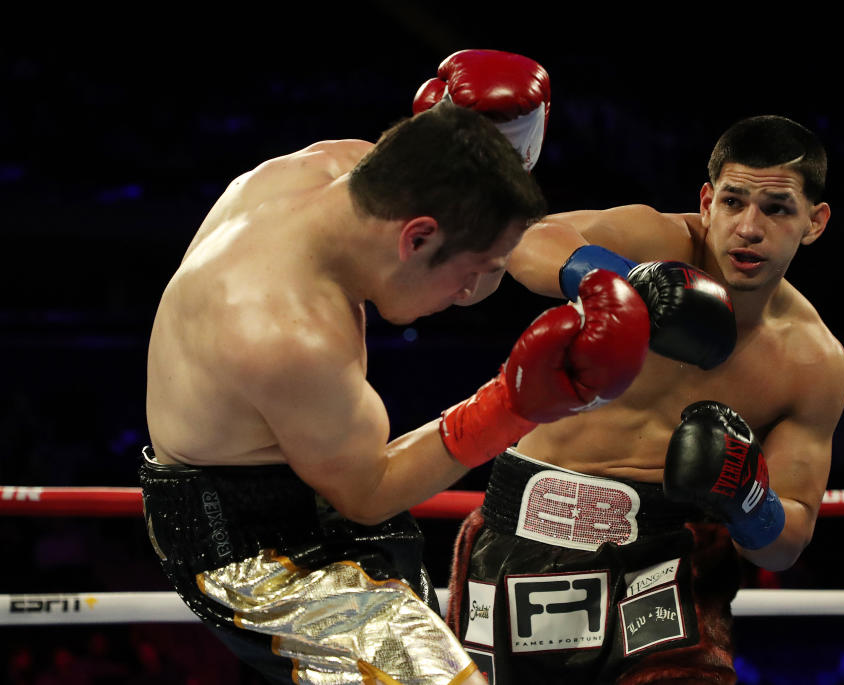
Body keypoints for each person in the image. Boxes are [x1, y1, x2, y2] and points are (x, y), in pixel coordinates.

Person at [139, 97, 655, 685]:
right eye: (467, 274)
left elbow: (454, 207)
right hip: (256, 550)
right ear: (417, 239)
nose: (467, 295)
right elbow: (369, 493)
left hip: (313, 480)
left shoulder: (336, 171)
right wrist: (512, 406)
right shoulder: (288, 336)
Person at [445, 115, 844, 684]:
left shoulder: (812, 362)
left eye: (777, 209)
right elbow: (526, 240)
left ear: (815, 222)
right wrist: (630, 282)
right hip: (526, 530)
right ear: (707, 202)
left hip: (668, 561)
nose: (749, 228)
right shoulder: (656, 241)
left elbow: (787, 543)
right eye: (733, 202)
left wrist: (746, 496)